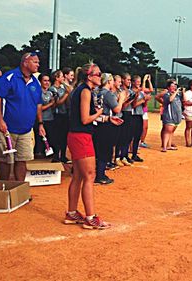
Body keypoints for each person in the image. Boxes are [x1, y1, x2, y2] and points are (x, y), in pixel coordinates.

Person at [65, 62, 119, 229]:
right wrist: (100, 112)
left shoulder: (80, 89)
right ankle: (91, 217)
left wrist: (108, 119)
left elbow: (84, 117)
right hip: (82, 137)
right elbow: (85, 119)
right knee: (89, 176)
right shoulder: (86, 91)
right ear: (89, 76)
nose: (100, 76)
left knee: (78, 176)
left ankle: (72, 213)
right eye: (97, 74)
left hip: (76, 135)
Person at [0, 52, 45, 181]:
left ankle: (19, 188)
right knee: (6, 160)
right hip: (7, 128)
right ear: (25, 62)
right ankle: (4, 187)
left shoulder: (35, 83)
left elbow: (38, 104)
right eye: (35, 62)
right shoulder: (9, 78)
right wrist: (0, 120)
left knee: (22, 160)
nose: (38, 64)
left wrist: (40, 123)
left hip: (26, 129)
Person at [93, 73, 125, 184]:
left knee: (98, 149)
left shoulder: (96, 92)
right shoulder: (108, 94)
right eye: (111, 81)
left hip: (97, 122)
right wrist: (121, 99)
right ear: (108, 81)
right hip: (106, 123)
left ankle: (98, 173)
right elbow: (117, 109)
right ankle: (100, 175)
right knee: (105, 149)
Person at [115, 73, 136, 166]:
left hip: (130, 113)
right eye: (127, 80)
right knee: (121, 137)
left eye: (130, 80)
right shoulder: (121, 91)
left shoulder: (130, 90)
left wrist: (134, 97)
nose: (129, 82)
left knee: (128, 136)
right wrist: (128, 99)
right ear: (123, 80)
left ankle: (124, 155)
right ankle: (117, 156)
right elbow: (122, 106)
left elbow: (134, 105)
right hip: (123, 114)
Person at [51, 69, 71, 163]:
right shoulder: (52, 89)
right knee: (57, 136)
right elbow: (57, 102)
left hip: (64, 114)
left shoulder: (63, 88)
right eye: (61, 76)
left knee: (64, 136)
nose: (63, 78)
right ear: (56, 77)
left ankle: (63, 155)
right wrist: (66, 94)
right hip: (57, 114)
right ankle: (56, 156)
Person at [34, 73, 56, 158]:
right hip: (41, 119)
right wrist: (50, 104)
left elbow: (53, 106)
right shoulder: (38, 93)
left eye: (48, 81)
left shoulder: (49, 93)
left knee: (49, 139)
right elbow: (38, 108)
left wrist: (54, 102)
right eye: (45, 81)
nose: (47, 83)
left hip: (50, 118)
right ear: (40, 82)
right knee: (39, 141)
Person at [160, 80, 183, 152]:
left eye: (175, 86)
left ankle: (169, 145)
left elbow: (184, 100)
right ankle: (164, 147)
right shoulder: (167, 94)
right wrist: (176, 92)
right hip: (169, 115)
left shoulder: (178, 95)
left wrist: (183, 92)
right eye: (172, 86)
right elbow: (170, 100)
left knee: (171, 131)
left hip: (176, 116)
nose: (174, 87)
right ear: (168, 87)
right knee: (168, 131)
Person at [130, 75, 146, 162]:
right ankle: (126, 153)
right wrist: (142, 100)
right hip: (133, 115)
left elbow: (144, 105)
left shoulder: (140, 92)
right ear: (133, 82)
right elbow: (134, 105)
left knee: (138, 135)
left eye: (140, 82)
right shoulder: (131, 92)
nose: (139, 83)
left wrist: (145, 100)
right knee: (130, 136)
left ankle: (134, 154)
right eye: (137, 82)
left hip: (139, 114)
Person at [139, 74, 154, 148]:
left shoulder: (147, 91)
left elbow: (151, 90)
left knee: (145, 127)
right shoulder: (140, 90)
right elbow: (143, 89)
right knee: (140, 127)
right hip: (139, 110)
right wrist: (144, 80)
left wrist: (149, 80)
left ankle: (142, 141)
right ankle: (138, 141)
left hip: (144, 110)